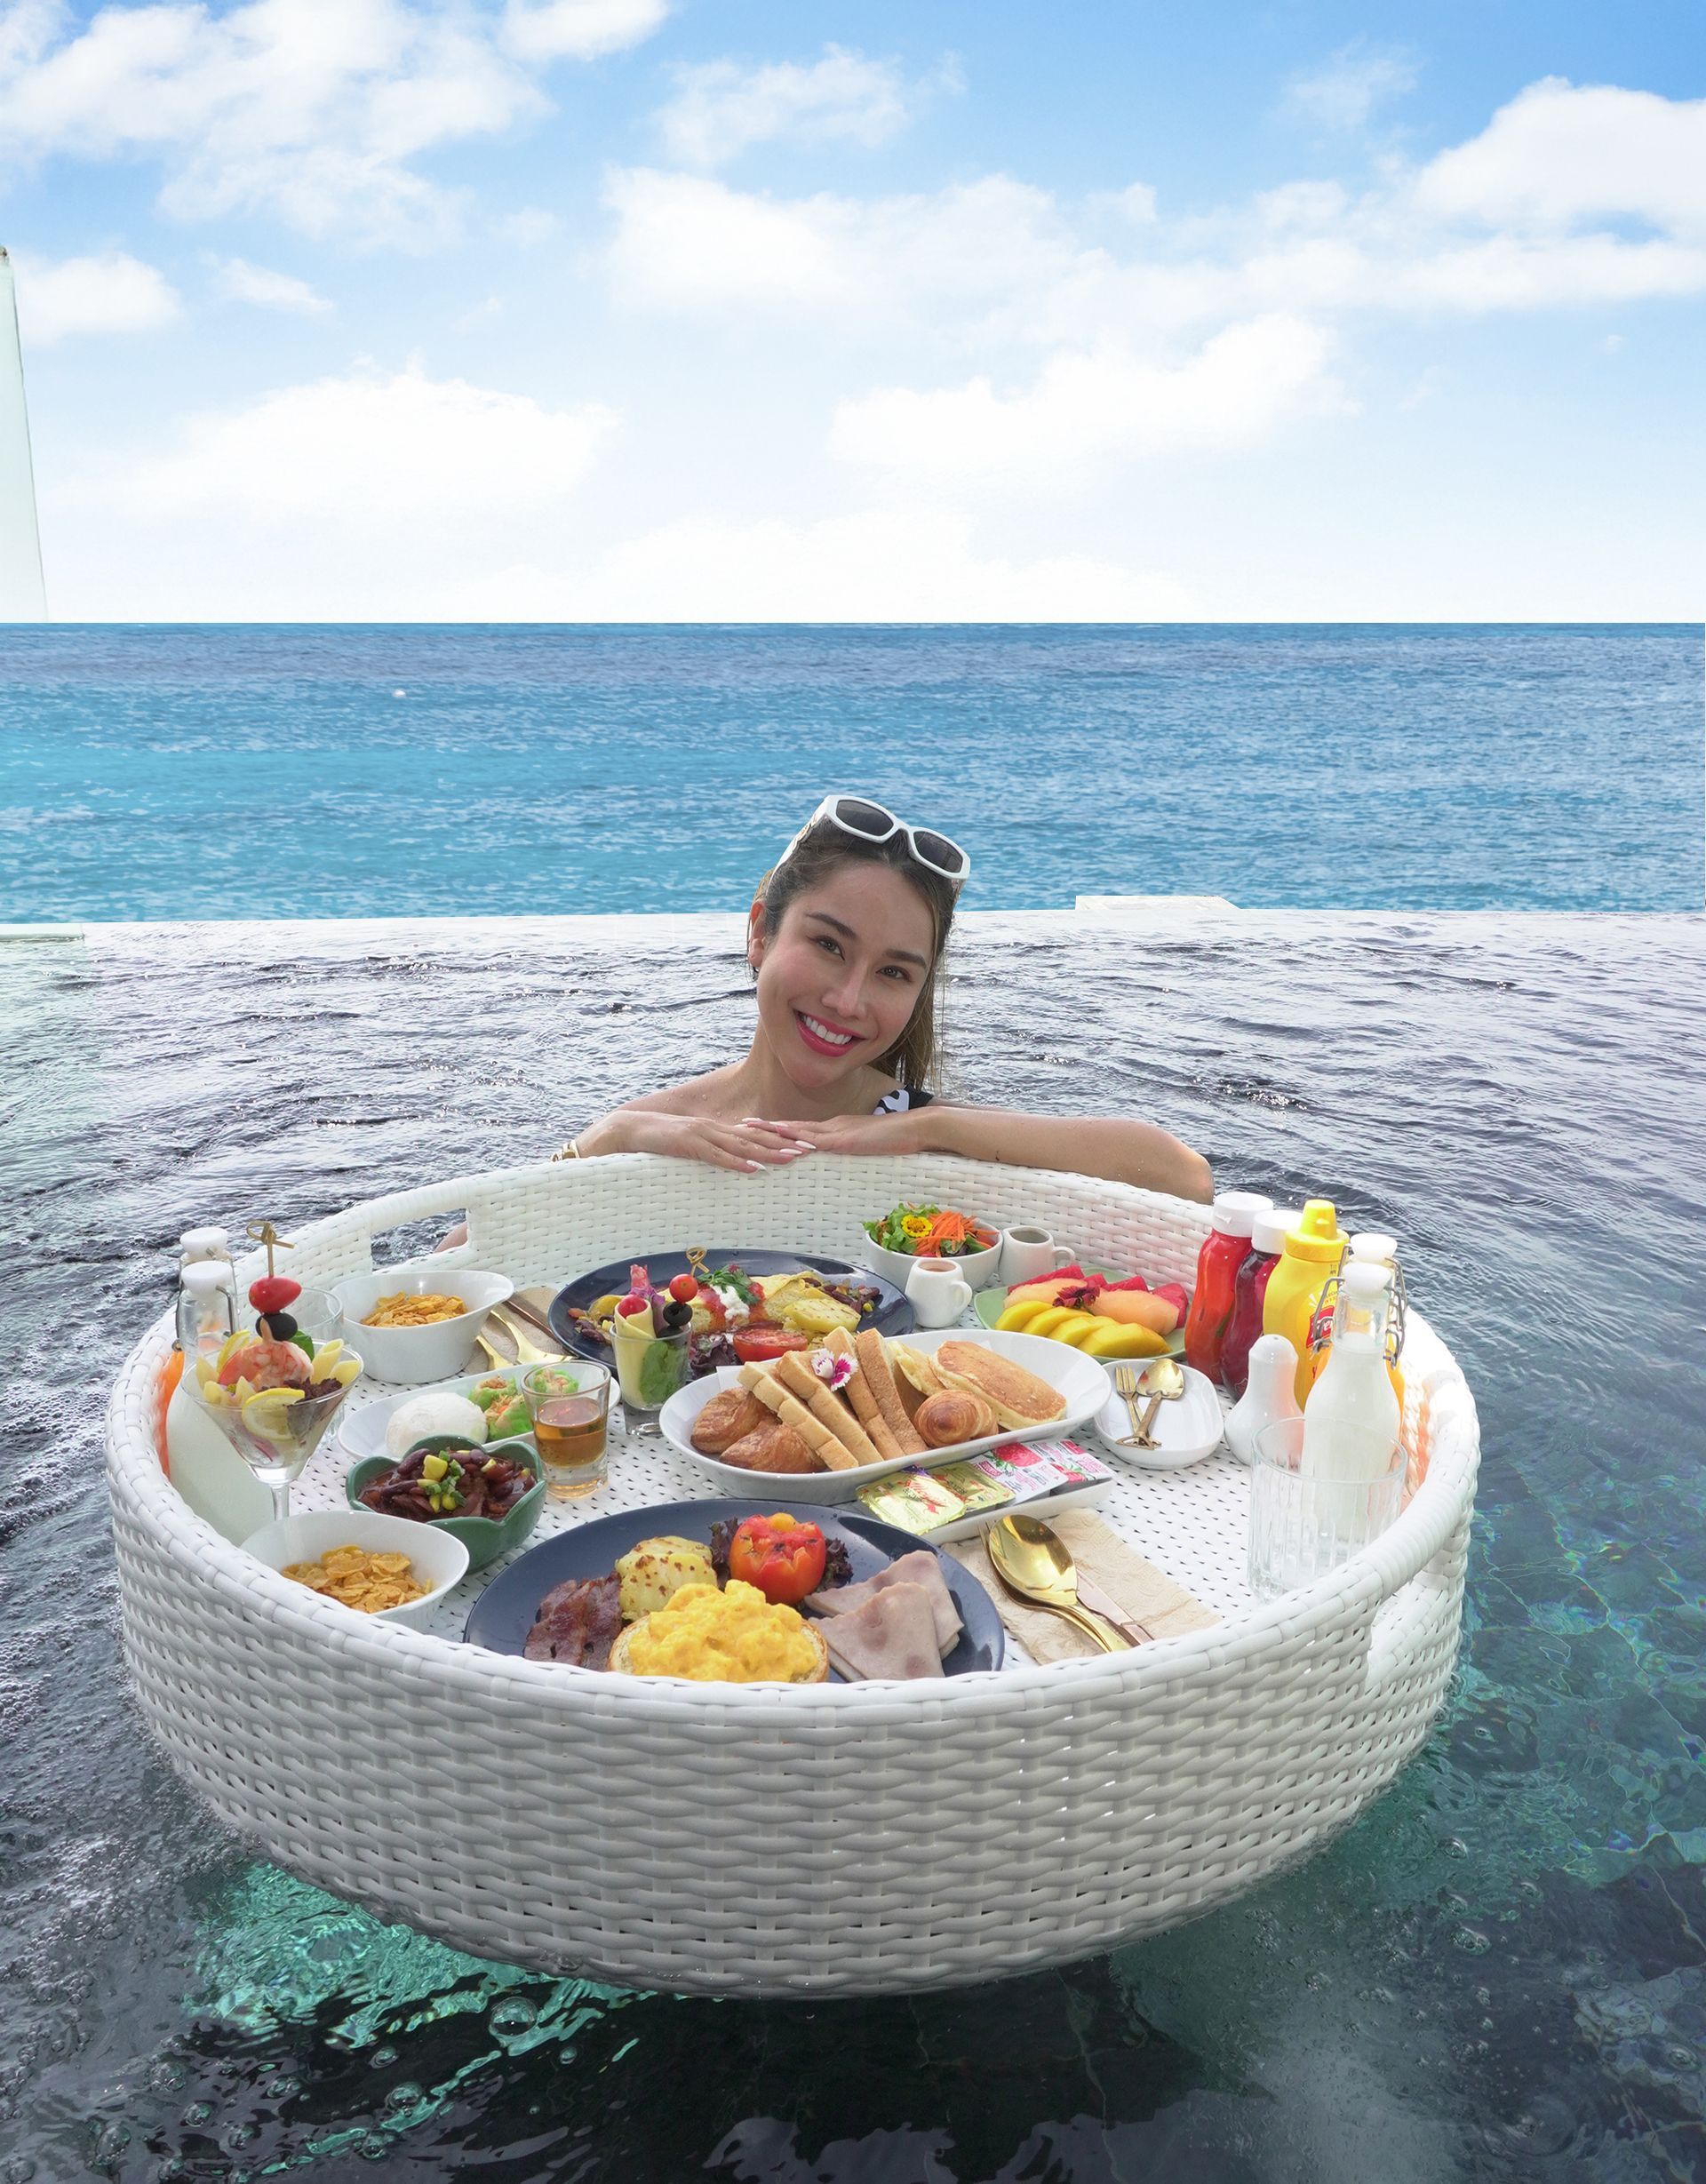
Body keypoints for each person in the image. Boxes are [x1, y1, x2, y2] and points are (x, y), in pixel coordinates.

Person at [564, 796, 1212, 1200]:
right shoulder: (653, 1129)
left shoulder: (921, 1132)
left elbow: (1184, 1179)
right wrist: (608, 1136)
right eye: (830, 946)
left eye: (894, 974)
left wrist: (930, 1125)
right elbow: (466, 1268)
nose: (849, 1000)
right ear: (759, 931)